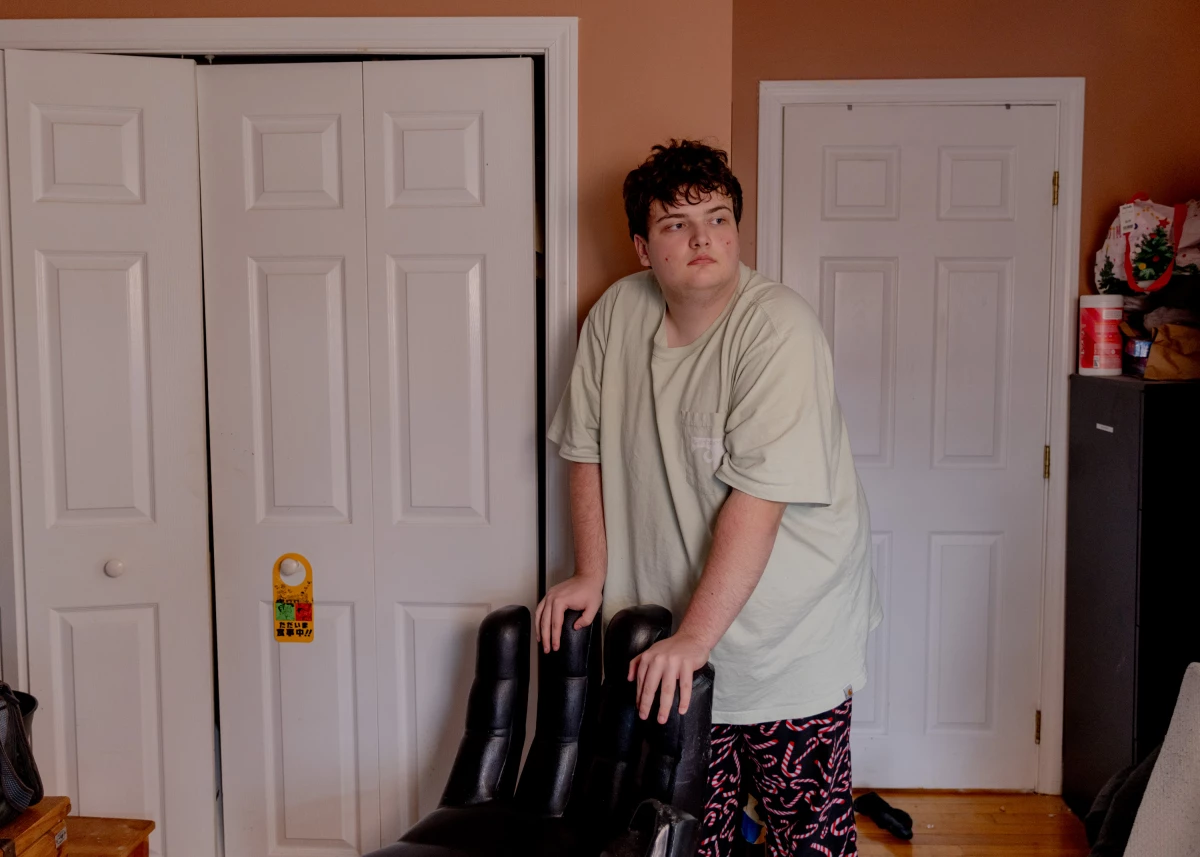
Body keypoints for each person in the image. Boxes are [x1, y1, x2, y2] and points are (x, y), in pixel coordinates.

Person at [538, 139, 881, 856]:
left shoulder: (777, 329)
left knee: (805, 841)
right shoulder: (613, 317)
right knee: (687, 838)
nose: (703, 237)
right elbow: (584, 448)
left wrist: (698, 637)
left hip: (789, 641)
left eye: (719, 218)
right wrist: (592, 571)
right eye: (676, 223)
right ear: (642, 246)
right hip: (673, 646)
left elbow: (757, 503)